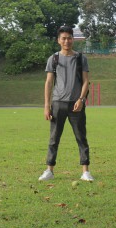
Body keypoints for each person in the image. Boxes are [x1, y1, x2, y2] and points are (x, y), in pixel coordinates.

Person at [39, 25, 94, 182]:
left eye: (69, 38)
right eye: (63, 38)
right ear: (58, 40)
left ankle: (85, 172)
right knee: (54, 139)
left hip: (76, 105)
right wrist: (46, 106)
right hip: (58, 104)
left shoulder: (81, 58)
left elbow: (86, 81)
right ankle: (49, 170)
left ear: (73, 40)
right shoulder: (53, 59)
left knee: (81, 138)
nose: (66, 41)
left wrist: (81, 100)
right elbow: (49, 83)